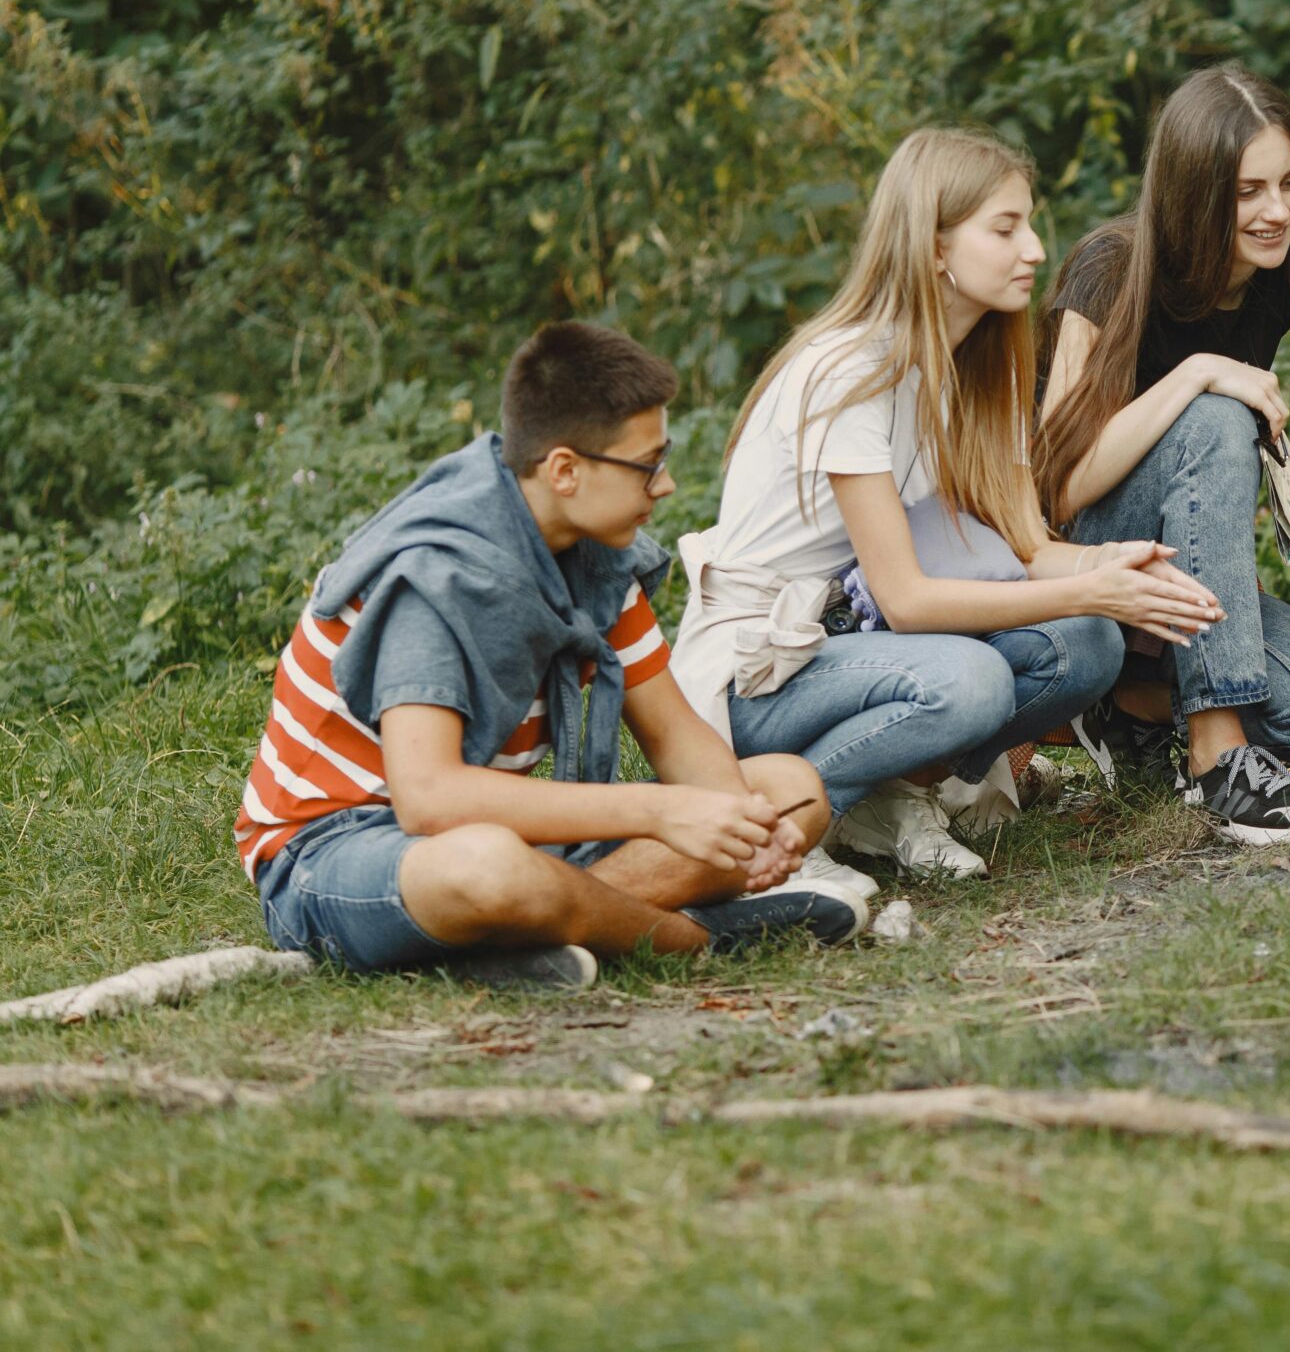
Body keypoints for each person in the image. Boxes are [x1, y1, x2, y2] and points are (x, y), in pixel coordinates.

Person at [236, 323, 853, 992]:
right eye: (649, 464)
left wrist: (741, 821)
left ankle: (526, 930)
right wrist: (660, 814)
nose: (668, 483)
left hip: (504, 837)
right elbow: (429, 801)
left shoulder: (596, 556)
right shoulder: (438, 574)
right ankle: (695, 939)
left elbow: (676, 734)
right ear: (564, 469)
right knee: (486, 867)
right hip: (335, 852)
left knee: (788, 792)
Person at [672, 128, 1217, 885]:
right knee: (971, 680)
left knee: (1088, 642)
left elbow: (1029, 549)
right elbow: (905, 597)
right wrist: (1087, 584)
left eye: (1028, 223)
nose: (1033, 249)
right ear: (932, 247)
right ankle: (775, 828)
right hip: (761, 669)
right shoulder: (851, 368)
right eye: (1004, 228)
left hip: (855, 646)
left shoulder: (970, 372)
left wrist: (1108, 567)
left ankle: (885, 796)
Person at [1037, 63, 1290, 843]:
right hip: (1092, 558)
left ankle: (1132, 704)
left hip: (1197, 571)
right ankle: (1218, 756)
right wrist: (1196, 374)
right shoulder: (1109, 269)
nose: (1277, 210)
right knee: (1220, 415)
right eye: (1246, 191)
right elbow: (1058, 490)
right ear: (1195, 192)